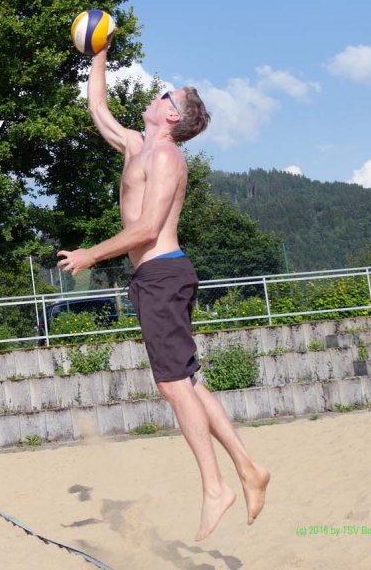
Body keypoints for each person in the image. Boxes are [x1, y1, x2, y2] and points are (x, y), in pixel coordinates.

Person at [57, 45, 270, 541]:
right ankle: (248, 468)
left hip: (162, 276)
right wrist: (99, 53)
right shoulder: (137, 146)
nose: (155, 94)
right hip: (157, 280)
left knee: (174, 386)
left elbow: (149, 227)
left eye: (163, 93)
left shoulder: (168, 157)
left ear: (171, 114)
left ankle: (216, 486)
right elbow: (97, 109)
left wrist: (91, 255)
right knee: (189, 382)